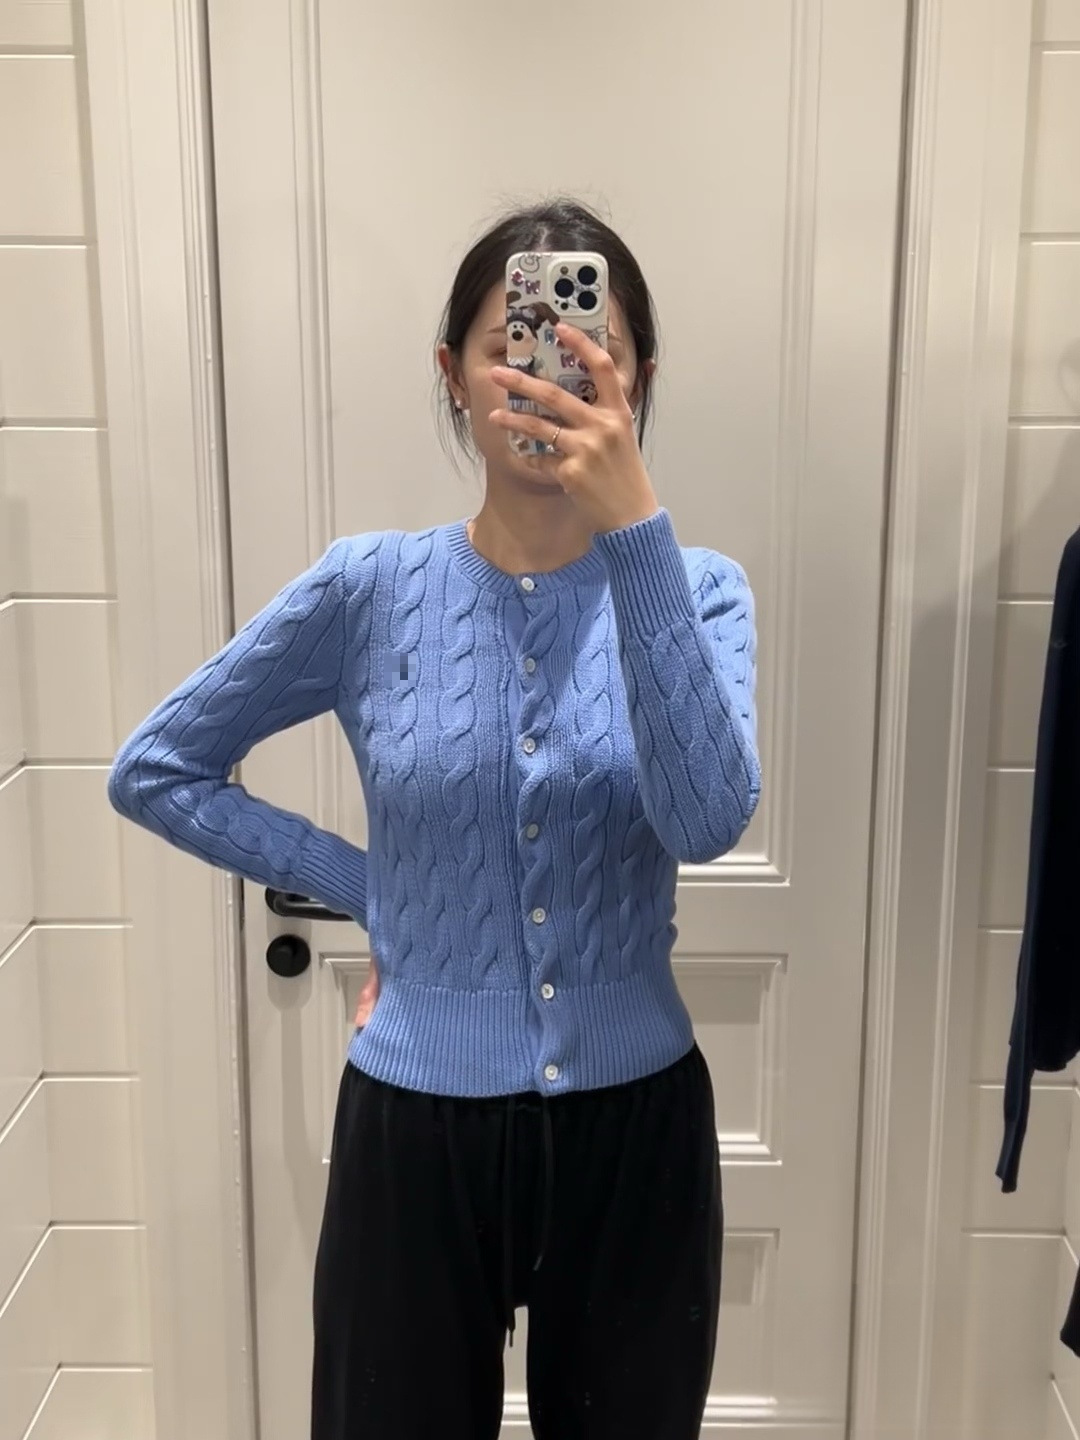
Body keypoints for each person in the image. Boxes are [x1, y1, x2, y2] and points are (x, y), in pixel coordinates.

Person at [107, 196, 761, 1440]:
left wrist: (637, 539)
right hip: (414, 1129)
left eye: (585, 344)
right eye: (511, 344)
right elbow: (158, 768)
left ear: (637, 377)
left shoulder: (697, 590)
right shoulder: (372, 588)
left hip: (638, 1130)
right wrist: (382, 894)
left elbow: (706, 820)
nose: (544, 370)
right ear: (452, 375)